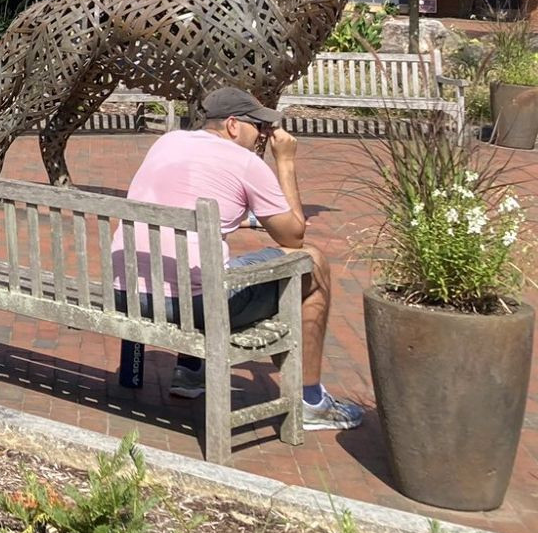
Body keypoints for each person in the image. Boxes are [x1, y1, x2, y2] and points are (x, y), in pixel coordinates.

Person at [113, 85, 362, 430]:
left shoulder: (168, 142)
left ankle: (190, 371)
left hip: (126, 293)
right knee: (310, 262)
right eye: (259, 127)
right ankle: (309, 400)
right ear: (233, 125)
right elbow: (293, 234)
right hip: (193, 304)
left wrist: (242, 219)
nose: (263, 136)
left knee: (205, 263)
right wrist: (285, 162)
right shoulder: (245, 162)